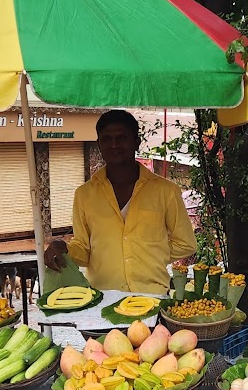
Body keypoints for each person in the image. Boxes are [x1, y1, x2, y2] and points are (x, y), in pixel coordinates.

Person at [43, 109, 197, 293]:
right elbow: (83, 250)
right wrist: (64, 248)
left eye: (122, 137)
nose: (114, 145)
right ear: (99, 145)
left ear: (136, 142)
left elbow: (186, 243)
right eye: (107, 139)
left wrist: (151, 253)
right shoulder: (84, 195)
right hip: (103, 300)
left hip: (152, 296)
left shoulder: (166, 191)